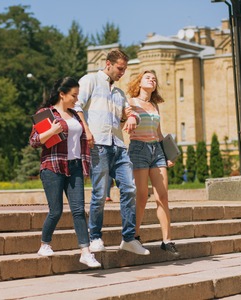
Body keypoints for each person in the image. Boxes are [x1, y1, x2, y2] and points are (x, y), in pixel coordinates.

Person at [75, 49, 150, 255]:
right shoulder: (90, 80)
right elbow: (76, 105)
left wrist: (132, 117)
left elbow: (127, 114)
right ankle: (95, 236)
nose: (122, 73)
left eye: (125, 69)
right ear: (108, 64)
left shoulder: (119, 93)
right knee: (99, 193)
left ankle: (128, 238)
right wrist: (86, 130)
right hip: (98, 144)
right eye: (120, 68)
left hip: (118, 145)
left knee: (130, 189)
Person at [29, 77, 101, 268]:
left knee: (78, 211)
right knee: (56, 211)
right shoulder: (46, 113)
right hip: (53, 167)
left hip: (75, 166)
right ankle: (45, 243)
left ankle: (85, 252)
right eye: (73, 95)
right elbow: (34, 141)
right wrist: (52, 131)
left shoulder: (75, 115)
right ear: (62, 94)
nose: (76, 100)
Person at [126, 70, 180, 256]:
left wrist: (167, 154)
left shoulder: (155, 106)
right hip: (138, 149)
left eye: (154, 79)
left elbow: (159, 133)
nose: (152, 80)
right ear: (139, 82)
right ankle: (135, 235)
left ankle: (167, 240)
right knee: (141, 196)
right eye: (148, 77)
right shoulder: (131, 102)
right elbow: (125, 123)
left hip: (156, 150)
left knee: (162, 196)